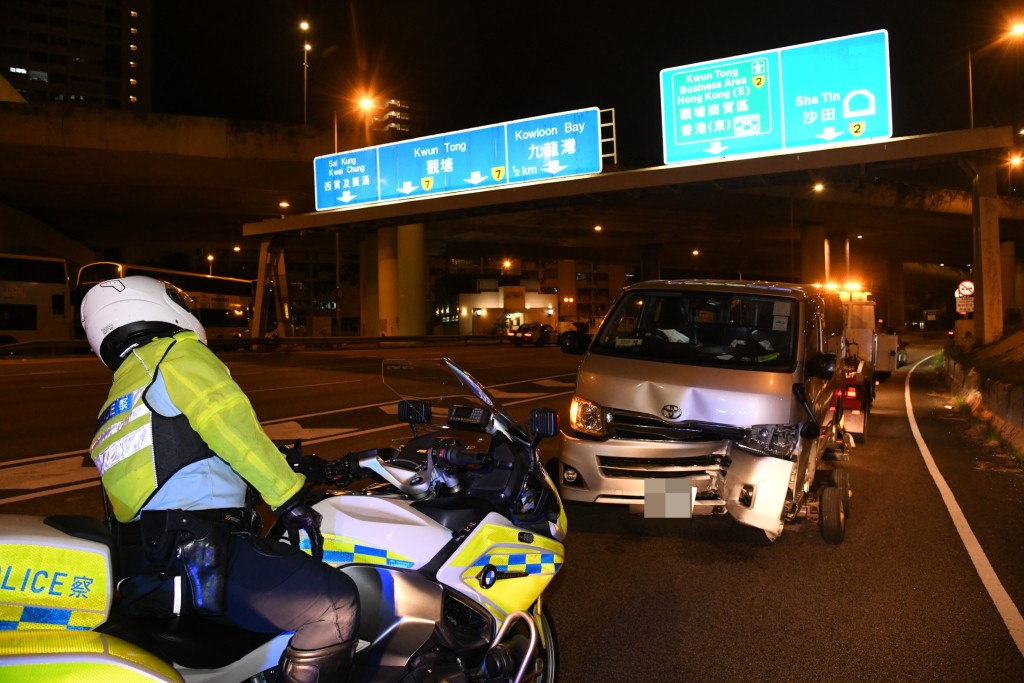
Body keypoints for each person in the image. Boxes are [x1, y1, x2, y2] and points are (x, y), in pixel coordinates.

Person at [80, 275, 358, 682]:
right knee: (335, 604)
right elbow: (227, 424)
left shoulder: (122, 392)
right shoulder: (177, 354)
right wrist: (289, 496)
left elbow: (186, 456)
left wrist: (292, 462)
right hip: (202, 555)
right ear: (154, 305)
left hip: (149, 565)